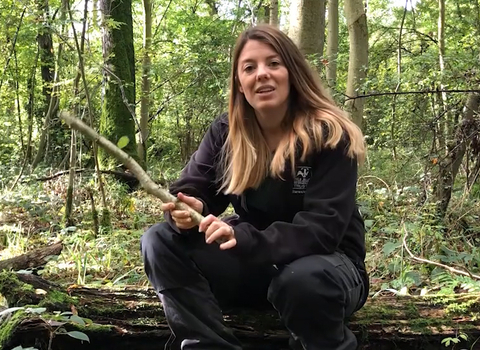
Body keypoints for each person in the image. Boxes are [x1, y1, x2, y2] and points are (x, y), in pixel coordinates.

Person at [141, 24, 369, 350]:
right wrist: (191, 206)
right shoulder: (227, 131)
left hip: (328, 269)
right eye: (250, 67)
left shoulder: (330, 135)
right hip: (256, 264)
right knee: (160, 240)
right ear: (240, 82)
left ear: (292, 72)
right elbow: (196, 186)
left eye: (273, 64)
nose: (262, 74)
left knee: (301, 281)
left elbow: (322, 231)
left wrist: (243, 238)